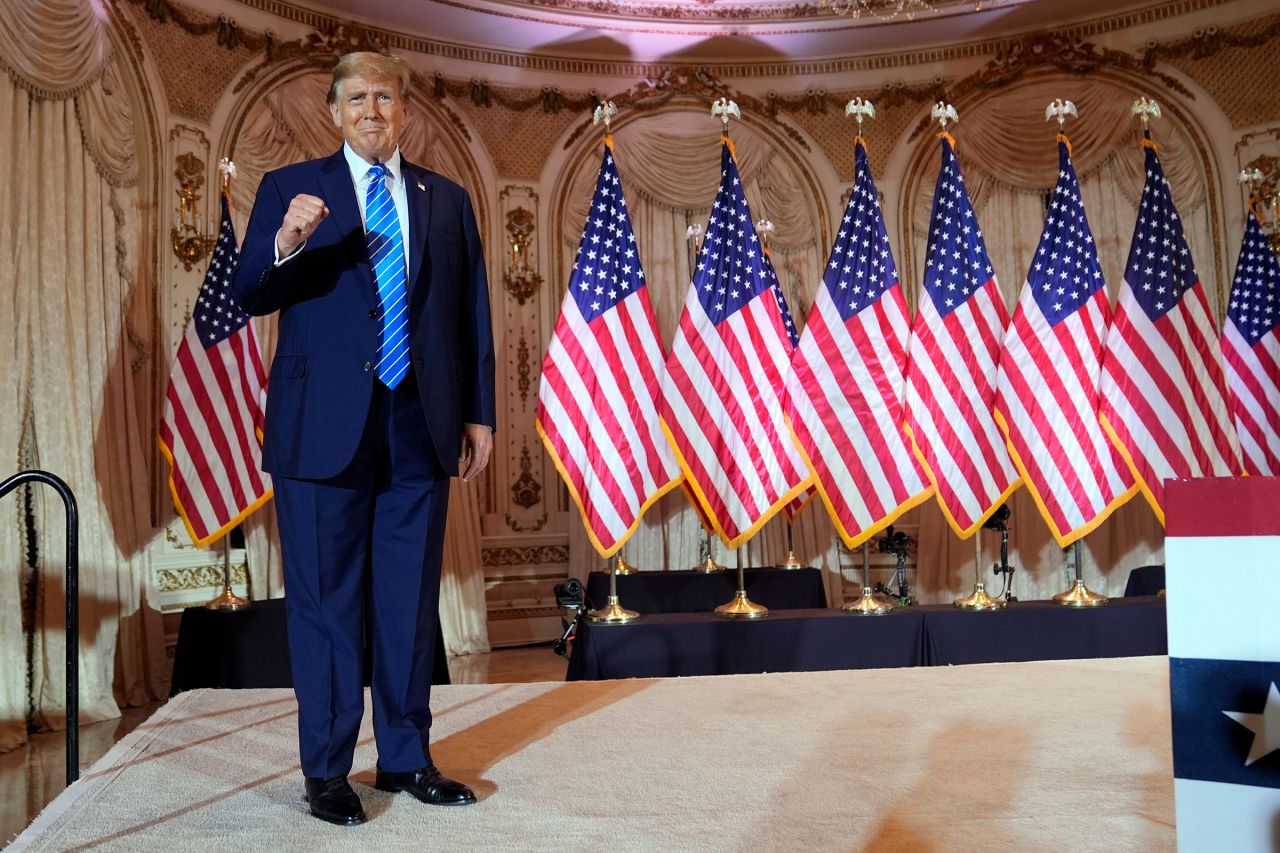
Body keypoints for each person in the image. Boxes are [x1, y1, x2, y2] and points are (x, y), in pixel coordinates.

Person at [232, 51, 496, 826]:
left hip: (419, 423)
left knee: (410, 602)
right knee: (325, 605)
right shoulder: (291, 189)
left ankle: (407, 757)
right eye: (356, 98)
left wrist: (477, 413)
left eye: (384, 96)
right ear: (335, 112)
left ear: (403, 110)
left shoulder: (444, 200)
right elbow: (251, 291)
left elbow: (471, 311)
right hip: (321, 429)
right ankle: (327, 771)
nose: (371, 109)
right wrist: (286, 238)